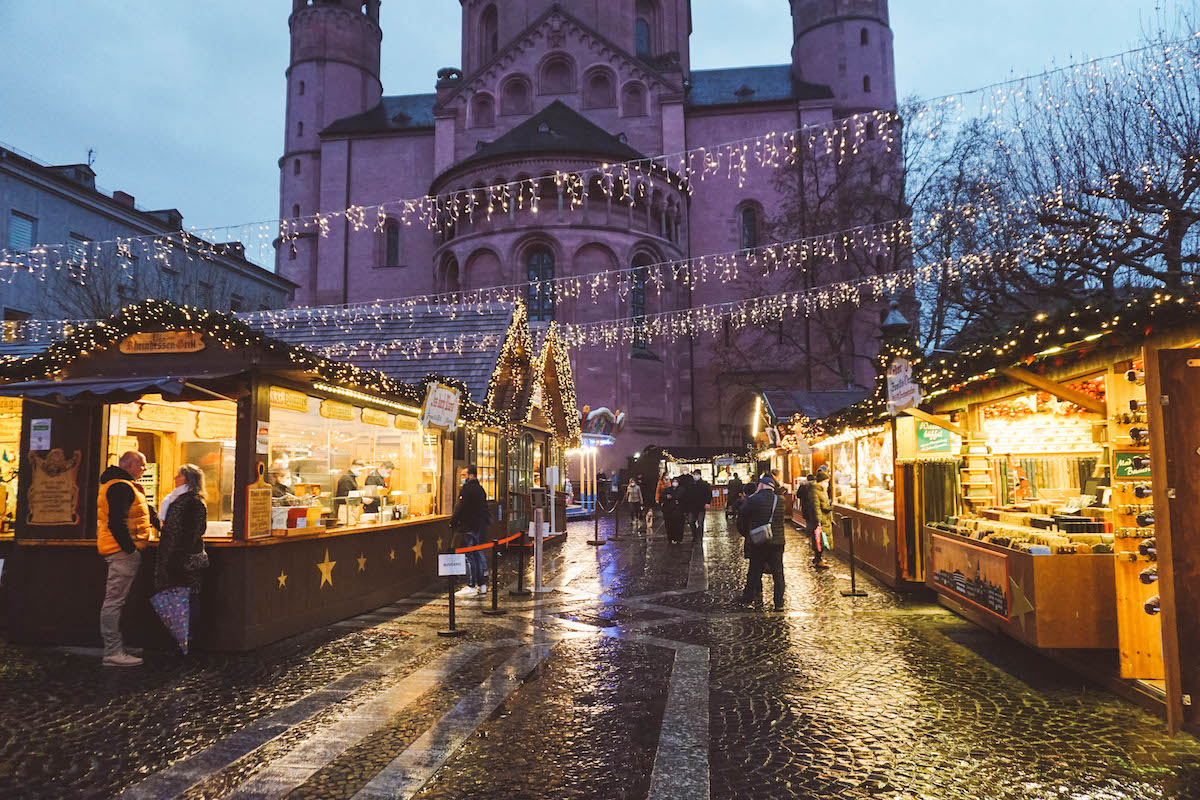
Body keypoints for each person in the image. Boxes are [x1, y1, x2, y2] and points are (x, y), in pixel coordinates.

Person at [97, 451, 160, 667]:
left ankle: (118, 646)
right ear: (129, 465)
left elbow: (144, 512)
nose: (144, 469)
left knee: (118, 600)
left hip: (123, 550)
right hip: (121, 552)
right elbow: (116, 522)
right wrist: (130, 550)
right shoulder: (120, 487)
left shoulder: (126, 485)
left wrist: (161, 526)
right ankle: (112, 652)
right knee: (114, 601)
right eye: (142, 465)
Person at [154, 464, 209, 606]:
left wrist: (176, 559)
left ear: (187, 479)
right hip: (175, 559)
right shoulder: (177, 499)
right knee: (179, 600)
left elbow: (192, 533)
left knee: (188, 599)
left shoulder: (193, 501)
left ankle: (189, 628)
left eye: (179, 475)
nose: (175, 478)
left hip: (183, 561)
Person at [737, 472, 788, 611]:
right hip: (777, 541)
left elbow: (743, 513)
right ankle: (779, 603)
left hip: (759, 541)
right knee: (778, 572)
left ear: (761, 486)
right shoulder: (780, 500)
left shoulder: (753, 500)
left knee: (754, 569)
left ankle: (748, 596)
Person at [450, 465, 492, 595]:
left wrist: (453, 522)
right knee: (477, 554)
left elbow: (459, 508)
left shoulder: (467, 489)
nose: (462, 478)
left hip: (468, 526)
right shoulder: (480, 489)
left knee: (469, 556)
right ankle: (482, 584)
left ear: (471, 475)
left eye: (464, 475)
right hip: (479, 526)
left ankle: (471, 585)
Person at [810, 467, 834, 569]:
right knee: (819, 540)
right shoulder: (815, 491)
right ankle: (819, 560)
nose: (827, 484)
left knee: (821, 541)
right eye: (826, 481)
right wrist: (818, 521)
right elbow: (816, 507)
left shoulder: (823, 490)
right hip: (821, 520)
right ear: (821, 482)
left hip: (826, 519)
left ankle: (818, 558)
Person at [333, 459, 365, 523]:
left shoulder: (351, 478)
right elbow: (346, 495)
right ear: (354, 467)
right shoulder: (346, 479)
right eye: (360, 470)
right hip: (346, 508)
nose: (361, 472)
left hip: (351, 507)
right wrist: (362, 500)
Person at [685, 468, 711, 542]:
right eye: (694, 474)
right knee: (691, 521)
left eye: (697, 474)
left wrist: (707, 503)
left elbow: (708, 494)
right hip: (691, 507)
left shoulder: (704, 484)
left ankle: (699, 537)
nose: (695, 476)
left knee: (700, 523)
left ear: (700, 475)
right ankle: (694, 535)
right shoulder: (690, 484)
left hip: (701, 507)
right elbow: (687, 495)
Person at [661, 476, 686, 544]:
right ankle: (670, 538)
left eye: (676, 482)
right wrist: (666, 497)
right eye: (674, 481)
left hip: (679, 511)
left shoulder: (682, 490)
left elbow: (683, 498)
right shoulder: (667, 489)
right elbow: (662, 497)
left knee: (679, 525)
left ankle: (678, 539)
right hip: (669, 511)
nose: (675, 483)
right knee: (669, 525)